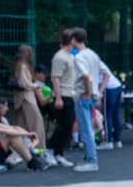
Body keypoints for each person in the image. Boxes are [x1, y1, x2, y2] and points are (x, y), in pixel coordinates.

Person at [0, 99, 47, 171]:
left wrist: (28, 135)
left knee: (12, 134)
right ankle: (31, 161)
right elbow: (7, 131)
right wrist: (27, 134)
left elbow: (14, 128)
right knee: (11, 136)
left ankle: (31, 160)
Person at [70, 27, 102, 172]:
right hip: (93, 95)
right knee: (88, 127)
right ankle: (88, 157)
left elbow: (86, 76)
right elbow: (105, 73)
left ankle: (91, 161)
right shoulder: (93, 54)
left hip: (83, 96)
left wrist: (87, 91)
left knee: (86, 129)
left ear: (73, 40)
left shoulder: (78, 57)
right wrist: (97, 91)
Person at [48, 28, 77, 167]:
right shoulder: (60, 57)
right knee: (63, 125)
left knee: (68, 126)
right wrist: (58, 98)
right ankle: (49, 149)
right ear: (71, 40)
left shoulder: (71, 55)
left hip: (70, 95)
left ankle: (58, 153)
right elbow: (55, 79)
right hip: (63, 95)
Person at [12, 44, 47, 151]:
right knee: (37, 121)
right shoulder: (23, 66)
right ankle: (40, 147)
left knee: (22, 123)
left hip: (22, 97)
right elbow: (25, 84)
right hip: (27, 97)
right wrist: (37, 85)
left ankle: (19, 147)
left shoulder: (19, 65)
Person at [98, 58, 124, 150]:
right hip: (117, 86)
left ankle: (108, 141)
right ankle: (117, 140)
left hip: (109, 89)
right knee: (115, 114)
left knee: (107, 115)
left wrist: (100, 92)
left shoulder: (90, 63)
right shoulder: (96, 60)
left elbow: (106, 76)